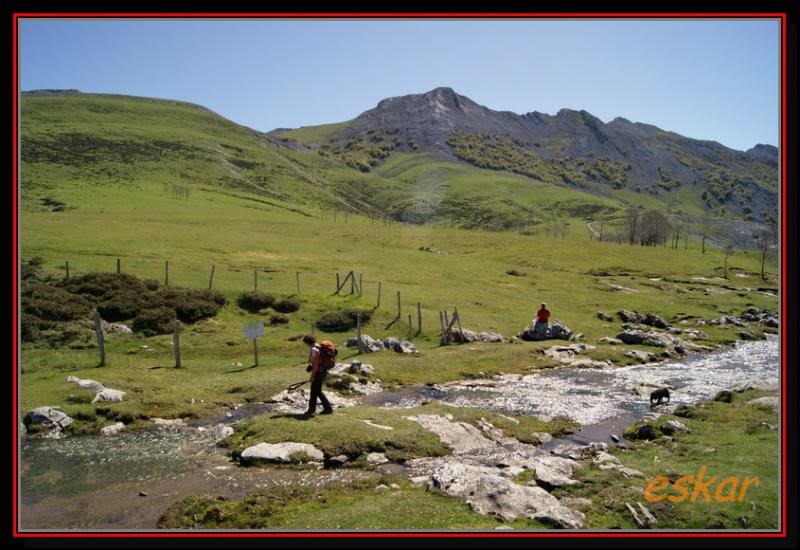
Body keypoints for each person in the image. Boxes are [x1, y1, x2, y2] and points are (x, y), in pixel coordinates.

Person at [302, 334, 334, 417]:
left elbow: (315, 365)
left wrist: (312, 377)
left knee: (316, 391)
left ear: (307, 342)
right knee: (315, 391)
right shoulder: (319, 346)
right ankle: (314, 410)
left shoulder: (314, 349)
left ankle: (326, 409)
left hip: (319, 372)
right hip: (323, 371)